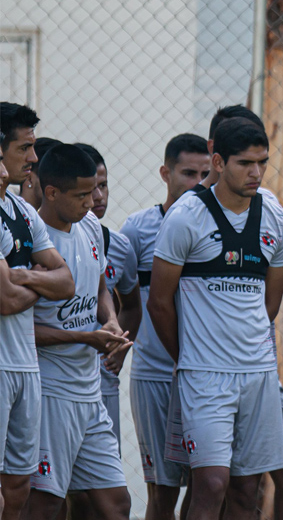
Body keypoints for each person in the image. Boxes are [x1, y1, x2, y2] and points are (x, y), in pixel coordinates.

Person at [162, 107, 283, 520]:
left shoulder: (275, 215)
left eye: (262, 162)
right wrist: (190, 355)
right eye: (245, 163)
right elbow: (160, 301)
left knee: (247, 490)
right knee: (210, 484)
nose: (256, 172)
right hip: (204, 373)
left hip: (258, 374)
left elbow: (271, 300)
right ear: (218, 162)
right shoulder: (186, 217)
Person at [24, 144, 132, 520]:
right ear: (51, 192)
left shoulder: (89, 228)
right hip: (50, 394)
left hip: (90, 392)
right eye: (82, 194)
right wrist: (84, 338)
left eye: (96, 190)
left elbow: (101, 285)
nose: (93, 201)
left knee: (116, 503)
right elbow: (22, 331)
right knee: (45, 503)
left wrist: (111, 322)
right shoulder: (32, 243)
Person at [122, 133, 209, 520]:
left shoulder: (215, 225)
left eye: (205, 173)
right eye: (188, 173)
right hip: (156, 374)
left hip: (205, 376)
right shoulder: (138, 229)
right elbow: (116, 297)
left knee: (209, 484)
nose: (197, 183)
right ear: (165, 172)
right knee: (162, 491)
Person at [1, 104, 75, 520]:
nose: (34, 159)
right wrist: (39, 278)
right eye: (25, 148)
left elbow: (66, 283)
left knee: (19, 485)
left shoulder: (23, 212)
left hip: (25, 366)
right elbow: (5, 301)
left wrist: (22, 276)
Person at [78, 143, 143, 456]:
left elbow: (131, 305)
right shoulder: (45, 239)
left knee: (106, 492)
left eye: (103, 185)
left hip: (101, 377)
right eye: (90, 188)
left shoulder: (118, 245)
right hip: (59, 373)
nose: (99, 196)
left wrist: (118, 353)